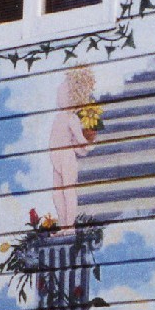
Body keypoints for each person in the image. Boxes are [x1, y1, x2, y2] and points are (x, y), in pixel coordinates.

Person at [49, 67, 99, 225]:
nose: (58, 94)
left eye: (62, 92)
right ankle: (63, 224)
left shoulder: (71, 118)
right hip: (56, 158)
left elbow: (79, 139)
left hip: (66, 158)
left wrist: (86, 145)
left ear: (72, 97)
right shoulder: (59, 117)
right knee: (56, 193)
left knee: (68, 190)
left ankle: (70, 225)